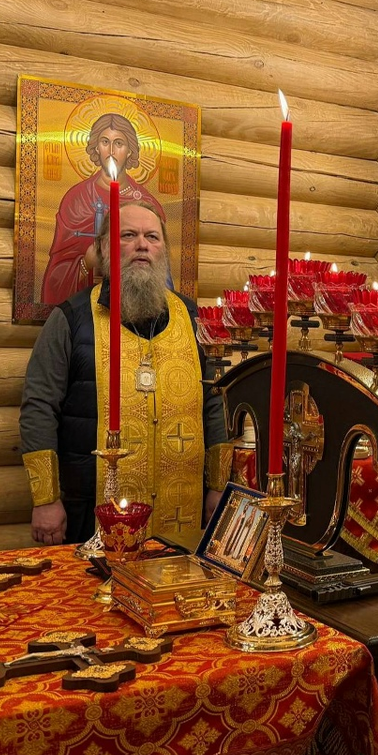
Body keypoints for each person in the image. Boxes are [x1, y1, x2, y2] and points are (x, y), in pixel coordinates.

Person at [21, 201, 230, 551]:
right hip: (90, 509)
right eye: (128, 235)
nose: (142, 245)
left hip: (183, 509)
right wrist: (45, 499)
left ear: (163, 250)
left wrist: (218, 486)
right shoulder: (71, 318)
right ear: (104, 248)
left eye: (152, 237)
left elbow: (215, 402)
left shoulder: (193, 318)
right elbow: (39, 407)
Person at [40, 112, 168, 306]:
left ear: (130, 150)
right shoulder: (77, 198)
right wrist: (86, 264)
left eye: (119, 143)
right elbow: (57, 271)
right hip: (85, 310)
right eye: (105, 142)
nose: (111, 151)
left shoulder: (148, 205)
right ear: (96, 147)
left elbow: (162, 274)